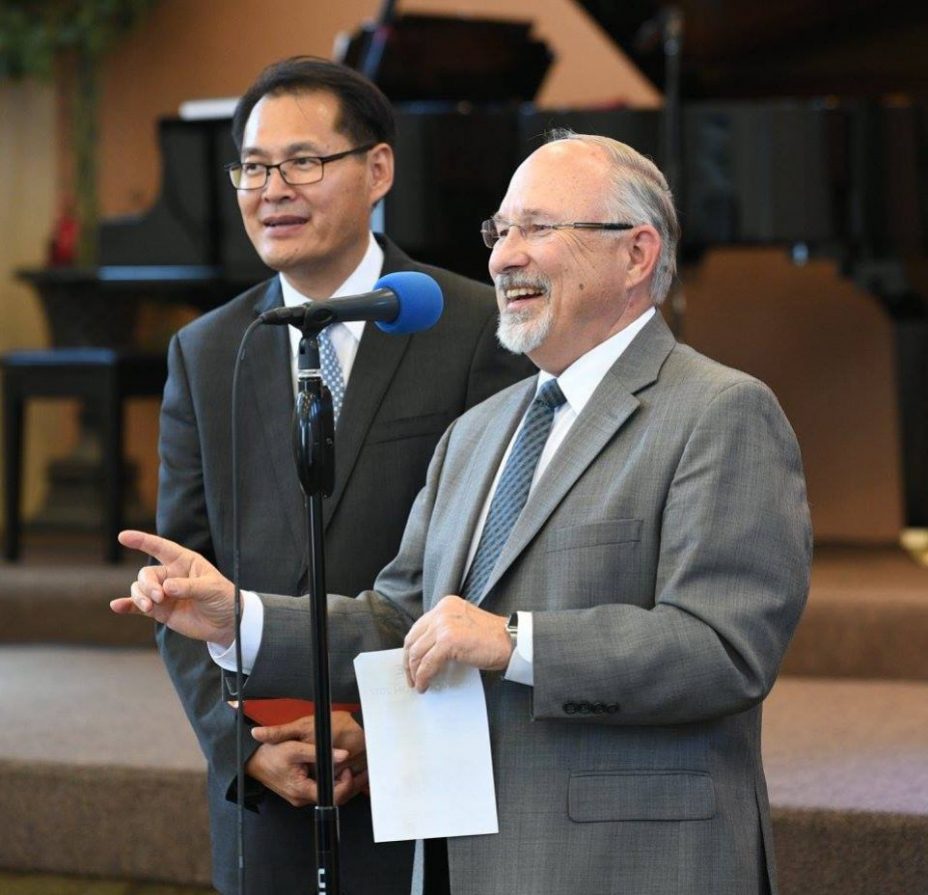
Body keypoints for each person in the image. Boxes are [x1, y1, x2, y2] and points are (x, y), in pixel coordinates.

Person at [118, 130, 812, 895]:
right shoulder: (480, 430)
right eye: (500, 230)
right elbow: (400, 619)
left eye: (538, 228)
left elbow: (724, 647)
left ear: (637, 254)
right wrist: (238, 621)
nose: (504, 256)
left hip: (624, 863)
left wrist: (512, 642)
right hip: (460, 856)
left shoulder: (720, 411)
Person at [155, 56, 532, 895]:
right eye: (253, 168)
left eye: (303, 162)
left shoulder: (471, 328)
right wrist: (241, 745)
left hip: (426, 769)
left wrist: (385, 724)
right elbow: (181, 579)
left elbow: (505, 558)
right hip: (268, 785)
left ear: (379, 169)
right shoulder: (209, 349)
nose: (273, 188)